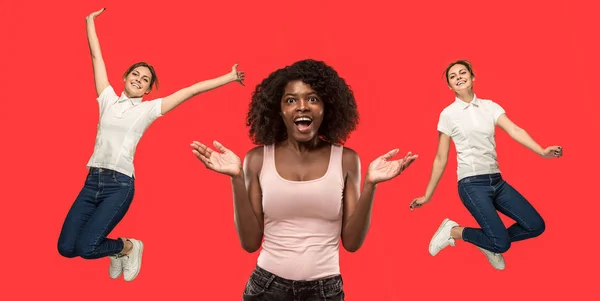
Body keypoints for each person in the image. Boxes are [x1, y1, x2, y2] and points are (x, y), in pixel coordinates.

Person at [191, 59, 418, 300]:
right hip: (266, 288)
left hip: (324, 291)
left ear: (326, 107)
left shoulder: (346, 160)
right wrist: (236, 178)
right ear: (279, 110)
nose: (302, 107)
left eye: (312, 99)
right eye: (291, 100)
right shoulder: (257, 159)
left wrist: (371, 185)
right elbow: (250, 243)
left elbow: (351, 243)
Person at [56, 7, 245, 282]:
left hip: (118, 186)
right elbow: (96, 56)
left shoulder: (148, 109)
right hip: (91, 182)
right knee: (66, 248)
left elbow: (190, 90)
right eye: (135, 74)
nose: (138, 79)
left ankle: (129, 247)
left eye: (145, 80)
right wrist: (88, 22)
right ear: (125, 77)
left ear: (147, 90)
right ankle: (117, 251)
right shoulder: (107, 99)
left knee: (86, 247)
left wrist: (228, 78)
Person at [409, 60, 563, 270]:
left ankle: (489, 242)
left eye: (463, 73)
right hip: (471, 185)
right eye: (453, 77)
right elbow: (440, 158)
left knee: (536, 226)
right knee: (502, 243)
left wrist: (542, 151)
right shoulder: (448, 114)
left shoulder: (490, 107)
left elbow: (515, 130)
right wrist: (427, 195)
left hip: (496, 182)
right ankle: (454, 231)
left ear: (473, 77)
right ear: (449, 86)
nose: (458, 77)